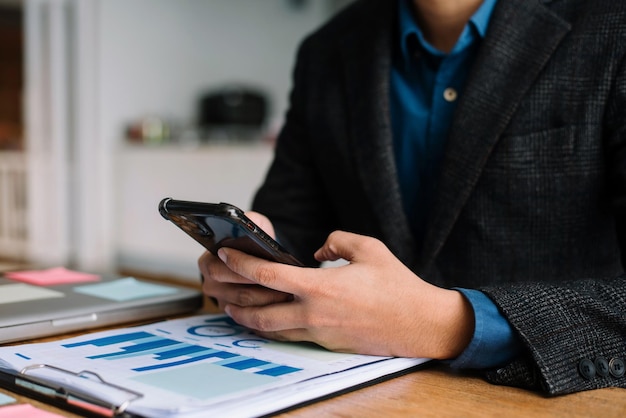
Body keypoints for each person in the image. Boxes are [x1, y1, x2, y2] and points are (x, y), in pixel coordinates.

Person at [199, 0, 626, 396]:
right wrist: (258, 257)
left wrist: (449, 323)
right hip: (367, 394)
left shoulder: (612, 25)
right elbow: (293, 219)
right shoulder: (327, 50)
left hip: (546, 397)